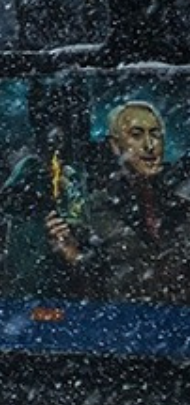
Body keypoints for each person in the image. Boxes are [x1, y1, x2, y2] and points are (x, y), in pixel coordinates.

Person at [45, 99, 190, 303]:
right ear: (115, 145)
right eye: (136, 135)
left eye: (155, 134)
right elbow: (93, 283)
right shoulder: (92, 208)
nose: (150, 146)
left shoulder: (181, 203)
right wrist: (72, 255)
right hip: (121, 321)